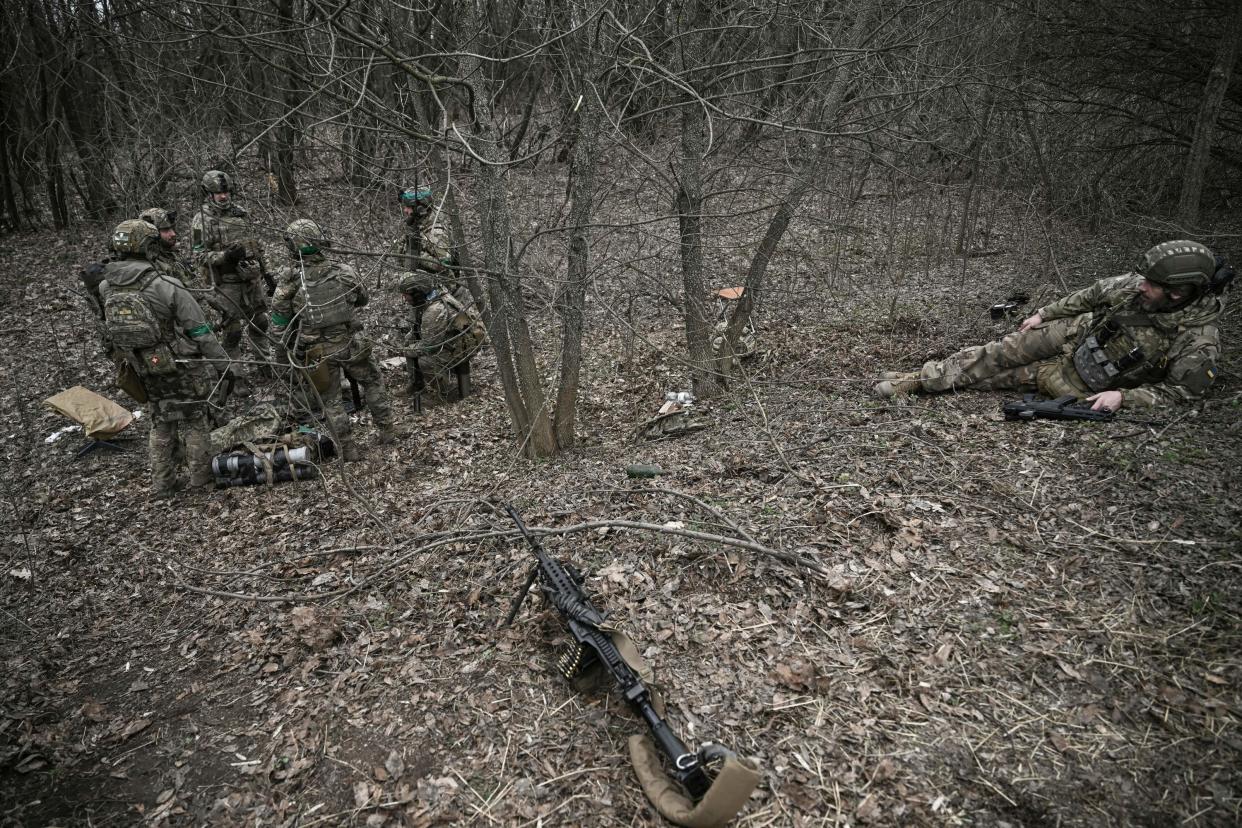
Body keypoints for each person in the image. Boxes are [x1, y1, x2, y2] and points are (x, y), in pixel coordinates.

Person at [874, 240, 1228, 411]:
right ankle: (919, 379)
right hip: (1074, 332)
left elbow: (1182, 394)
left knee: (996, 379)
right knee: (998, 352)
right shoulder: (1136, 286)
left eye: (1151, 284)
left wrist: (1124, 397)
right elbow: (1091, 295)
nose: (1141, 286)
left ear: (1179, 292)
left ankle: (923, 382)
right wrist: (1044, 314)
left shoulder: (1198, 342)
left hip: (1078, 379)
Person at [98, 219, 231, 499]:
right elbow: (200, 331)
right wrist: (225, 366)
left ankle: (163, 484)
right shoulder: (166, 285)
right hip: (178, 365)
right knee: (194, 419)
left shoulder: (106, 288)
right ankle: (200, 480)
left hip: (141, 367)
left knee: (160, 422)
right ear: (148, 247)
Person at [271, 219, 401, 461]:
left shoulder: (290, 281)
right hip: (350, 344)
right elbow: (362, 299)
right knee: (372, 381)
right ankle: (387, 431)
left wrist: (282, 356)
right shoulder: (343, 272)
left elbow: (279, 322)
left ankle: (348, 449)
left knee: (331, 401)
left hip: (317, 352)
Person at [388, 185, 483, 401]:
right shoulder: (413, 228)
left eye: (408, 208)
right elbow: (399, 257)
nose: (405, 212)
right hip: (419, 294)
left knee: (437, 342)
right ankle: (416, 383)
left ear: (420, 208)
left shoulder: (435, 231)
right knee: (413, 336)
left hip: (439, 293)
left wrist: (416, 255)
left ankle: (447, 389)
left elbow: (443, 262)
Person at [190, 170, 270, 392]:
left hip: (251, 280)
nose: (223, 197)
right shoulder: (201, 220)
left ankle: (264, 363)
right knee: (232, 331)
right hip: (226, 284)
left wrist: (266, 273)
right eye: (218, 193)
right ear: (208, 194)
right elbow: (198, 256)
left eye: (225, 192)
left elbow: (256, 245)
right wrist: (224, 257)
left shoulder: (241, 214)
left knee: (261, 322)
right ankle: (237, 376)